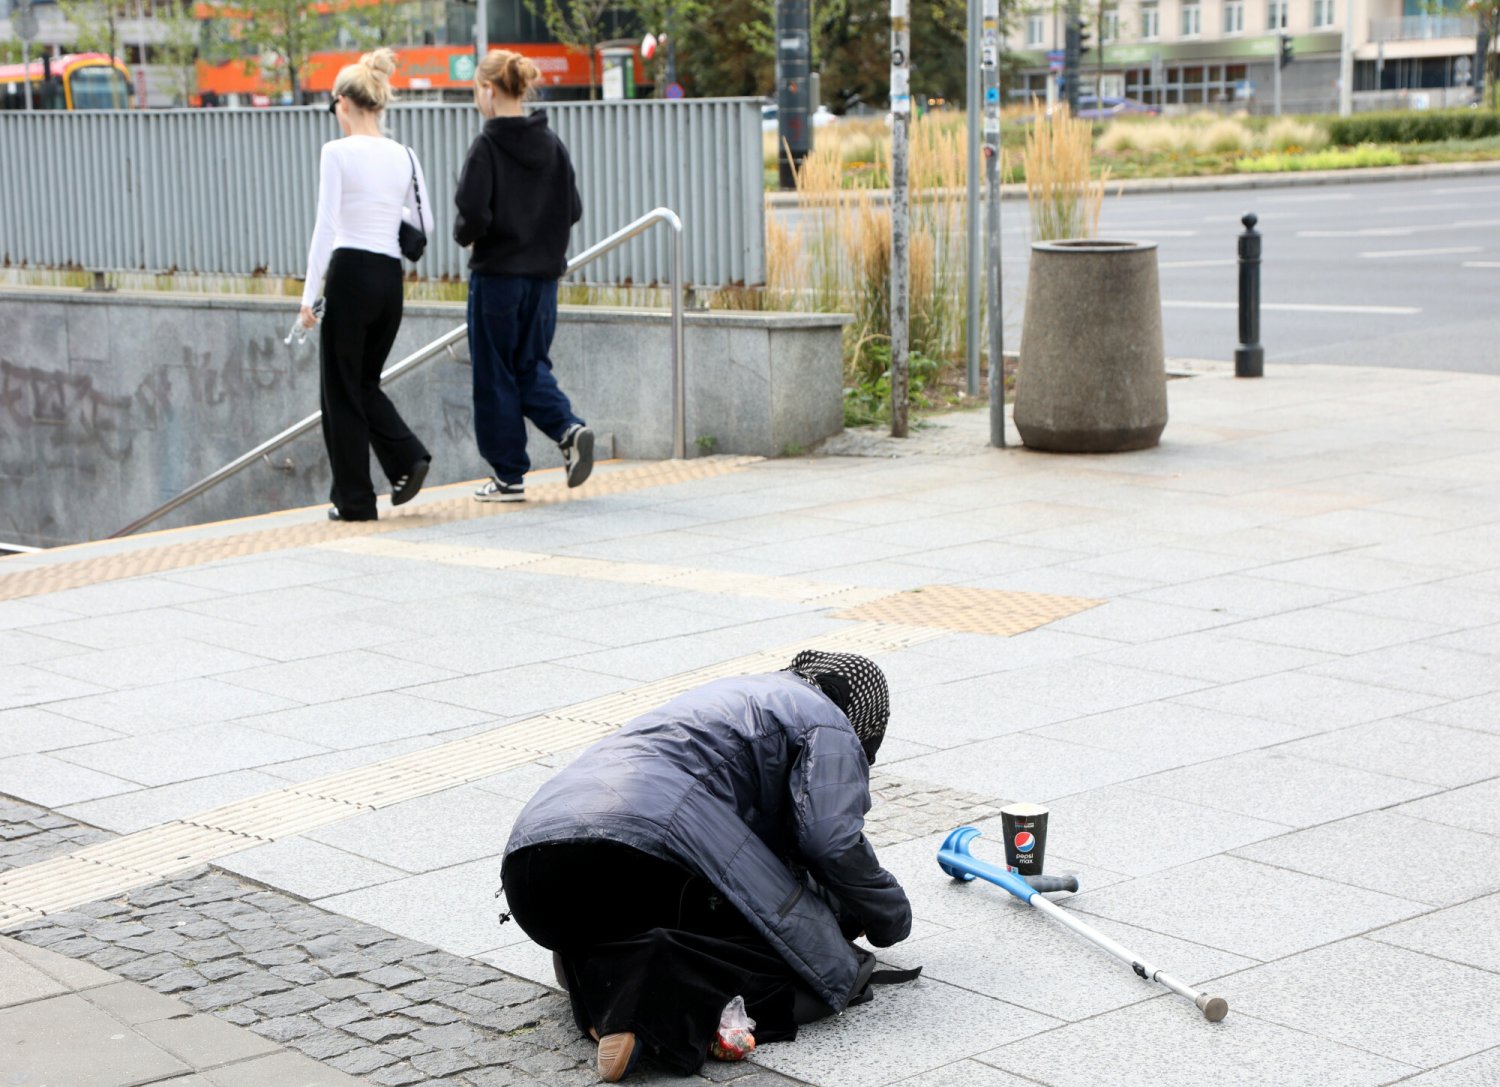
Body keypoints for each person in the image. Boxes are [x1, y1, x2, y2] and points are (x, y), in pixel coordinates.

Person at [500, 651, 913, 1082]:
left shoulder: (742, 697)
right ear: (864, 717)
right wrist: (888, 917)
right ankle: (640, 999)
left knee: (744, 913)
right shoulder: (829, 722)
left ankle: (595, 978)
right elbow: (831, 842)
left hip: (532, 869)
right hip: (632, 851)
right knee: (812, 960)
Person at [453, 49, 594, 504]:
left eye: (478, 90)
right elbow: (572, 208)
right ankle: (568, 428)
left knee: (494, 372)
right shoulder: (552, 144)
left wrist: (471, 236)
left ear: (489, 90)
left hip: (497, 280)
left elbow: (471, 212)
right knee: (530, 364)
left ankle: (509, 475)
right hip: (544, 280)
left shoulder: (488, 146)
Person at [299, 47, 433, 522]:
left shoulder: (336, 152)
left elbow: (325, 226)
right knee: (362, 383)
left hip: (350, 274)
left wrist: (309, 297)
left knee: (339, 390)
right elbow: (425, 224)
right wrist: (384, 210)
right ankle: (406, 459)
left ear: (343, 103)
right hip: (389, 280)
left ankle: (355, 501)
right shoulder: (405, 155)